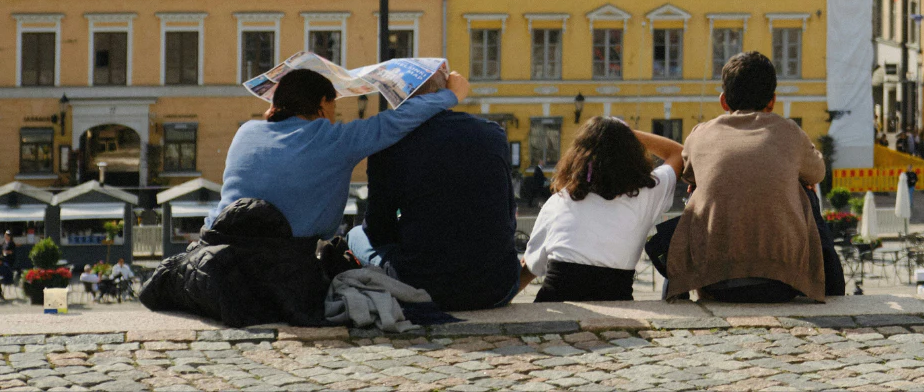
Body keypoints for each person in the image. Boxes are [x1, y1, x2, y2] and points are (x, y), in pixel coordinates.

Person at [210, 66, 466, 240]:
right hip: (285, 262)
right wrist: (451, 94)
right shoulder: (334, 140)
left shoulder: (245, 132)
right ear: (323, 103)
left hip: (216, 249)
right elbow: (396, 121)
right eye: (334, 107)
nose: (334, 116)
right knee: (356, 238)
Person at [348, 70, 525, 311]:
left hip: (425, 287)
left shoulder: (389, 143)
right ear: (444, 93)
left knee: (355, 235)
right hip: (499, 287)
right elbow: (508, 214)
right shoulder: (493, 133)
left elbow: (378, 229)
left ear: (399, 98)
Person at [662, 52, 828, 303]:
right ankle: (831, 280)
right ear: (772, 101)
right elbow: (818, 173)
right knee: (805, 191)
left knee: (696, 192)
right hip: (783, 282)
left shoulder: (700, 135)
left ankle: (675, 290)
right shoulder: (790, 132)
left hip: (714, 281)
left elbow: (688, 174)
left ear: (723, 101)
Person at [524, 117, 682, 302]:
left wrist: (601, 135)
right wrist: (624, 134)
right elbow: (679, 153)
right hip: (618, 304)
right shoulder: (648, 193)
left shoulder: (560, 200)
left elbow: (532, 266)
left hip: (555, 301)